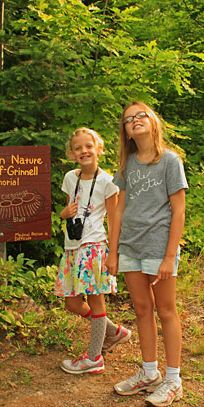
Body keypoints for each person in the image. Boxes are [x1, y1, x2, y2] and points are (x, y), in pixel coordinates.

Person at [107, 102, 188, 407]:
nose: (135, 120)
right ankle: (150, 374)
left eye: (141, 115)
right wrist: (113, 252)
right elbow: (119, 211)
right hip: (130, 247)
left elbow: (178, 210)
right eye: (129, 119)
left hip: (158, 247)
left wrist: (169, 256)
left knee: (166, 310)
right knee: (142, 309)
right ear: (126, 132)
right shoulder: (127, 165)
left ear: (154, 122)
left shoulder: (169, 161)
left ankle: (173, 380)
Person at [55, 127, 132, 374]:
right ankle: (114, 332)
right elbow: (69, 211)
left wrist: (113, 253)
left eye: (88, 146)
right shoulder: (70, 178)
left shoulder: (108, 182)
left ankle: (94, 358)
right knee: (72, 304)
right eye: (78, 148)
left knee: (96, 301)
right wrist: (62, 214)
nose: (84, 151)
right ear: (71, 153)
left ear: (98, 149)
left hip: (94, 247)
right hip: (72, 248)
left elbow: (113, 218)